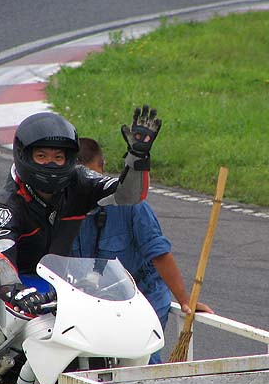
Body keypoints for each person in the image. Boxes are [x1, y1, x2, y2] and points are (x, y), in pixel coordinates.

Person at [0, 106, 162, 384]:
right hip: (4, 276)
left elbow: (127, 194)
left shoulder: (79, 181)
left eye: (58, 157)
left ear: (69, 158)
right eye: (42, 156)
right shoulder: (9, 201)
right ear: (24, 156)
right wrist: (13, 289)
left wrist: (138, 159)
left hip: (57, 277)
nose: (51, 164)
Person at [72, 137, 214, 364]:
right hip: (96, 300)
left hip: (144, 298)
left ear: (103, 168)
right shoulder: (64, 206)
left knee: (142, 359)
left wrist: (185, 300)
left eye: (93, 178)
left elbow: (159, 253)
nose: (88, 187)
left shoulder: (131, 204)